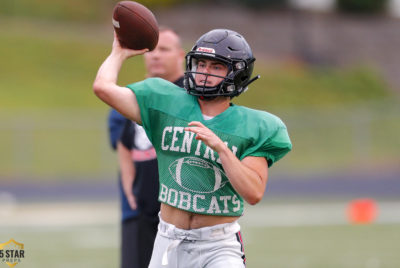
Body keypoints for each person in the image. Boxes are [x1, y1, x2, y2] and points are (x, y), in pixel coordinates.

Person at [94, 28, 292, 268]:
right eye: (201, 64)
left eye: (216, 67)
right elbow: (103, 88)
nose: (204, 73)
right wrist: (119, 53)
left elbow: (253, 193)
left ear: (238, 73)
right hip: (167, 240)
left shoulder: (255, 126)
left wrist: (222, 149)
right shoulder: (166, 100)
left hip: (217, 246)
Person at [108, 27, 185, 268]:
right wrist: (128, 183)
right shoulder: (135, 94)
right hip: (139, 210)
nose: (156, 55)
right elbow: (123, 141)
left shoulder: (195, 95)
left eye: (164, 49)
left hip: (182, 211)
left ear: (180, 55)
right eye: (151, 50)